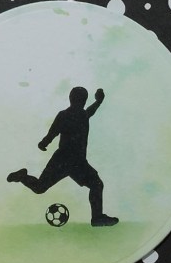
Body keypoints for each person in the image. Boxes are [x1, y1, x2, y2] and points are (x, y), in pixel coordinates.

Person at [7, 86, 119, 226]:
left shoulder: (76, 115)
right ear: (83, 101)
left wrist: (98, 102)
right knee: (95, 184)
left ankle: (97, 218)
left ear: (70, 99)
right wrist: (44, 142)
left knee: (95, 184)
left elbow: (53, 132)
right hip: (68, 161)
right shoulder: (75, 115)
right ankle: (22, 176)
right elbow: (53, 132)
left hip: (70, 161)